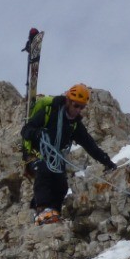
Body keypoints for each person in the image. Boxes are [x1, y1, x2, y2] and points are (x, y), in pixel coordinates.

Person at [20, 83, 118, 224]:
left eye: (81, 107)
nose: (78, 110)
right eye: (76, 105)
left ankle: (54, 212)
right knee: (45, 171)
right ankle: (42, 210)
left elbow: (91, 146)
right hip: (34, 154)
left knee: (61, 185)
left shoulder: (75, 125)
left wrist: (107, 162)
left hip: (54, 157)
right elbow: (25, 130)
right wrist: (37, 133)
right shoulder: (50, 112)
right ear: (68, 101)